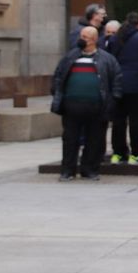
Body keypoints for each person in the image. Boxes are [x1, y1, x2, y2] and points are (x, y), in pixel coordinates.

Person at [49, 25, 121, 181]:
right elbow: (58, 77)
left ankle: (89, 170)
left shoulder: (106, 59)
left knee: (94, 139)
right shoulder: (70, 57)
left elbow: (116, 80)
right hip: (72, 106)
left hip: (96, 107)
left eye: (86, 37)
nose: (81, 39)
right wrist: (58, 94)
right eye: (81, 36)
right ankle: (68, 170)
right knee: (70, 139)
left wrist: (113, 100)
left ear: (94, 40)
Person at [110, 12, 138, 163]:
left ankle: (118, 153)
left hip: (118, 84)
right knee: (135, 121)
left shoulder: (116, 38)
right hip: (137, 85)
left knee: (118, 121)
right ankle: (135, 153)